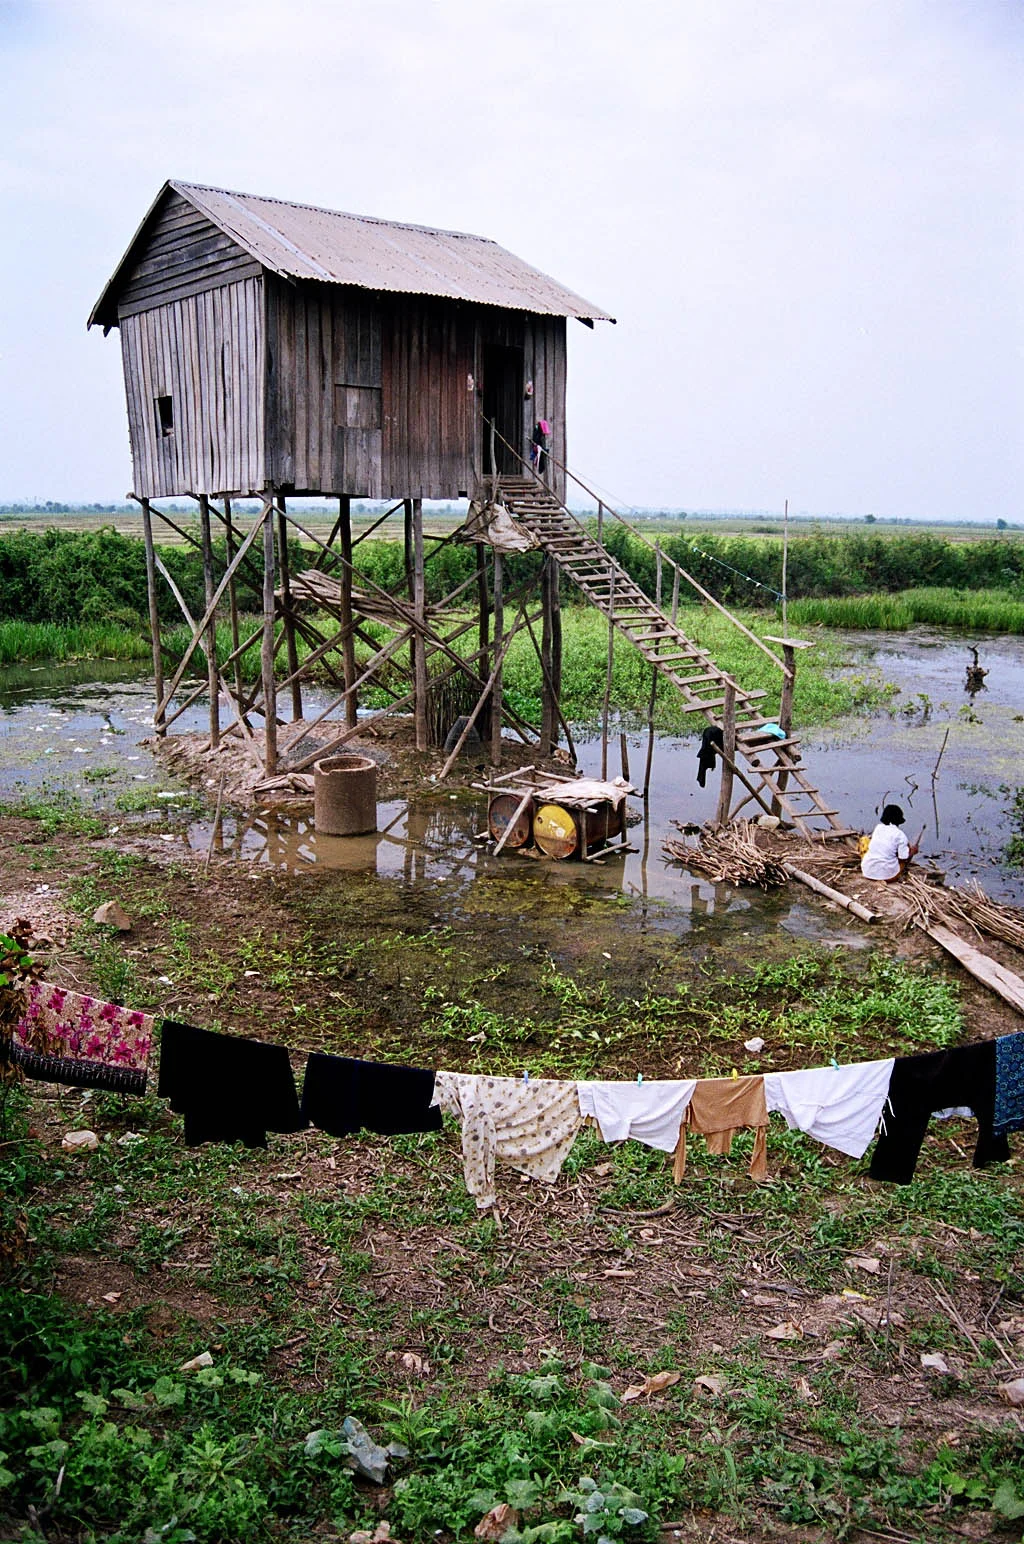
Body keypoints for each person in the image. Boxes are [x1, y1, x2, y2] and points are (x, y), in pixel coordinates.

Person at [860, 804, 918, 883]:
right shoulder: (900, 835)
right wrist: (912, 852)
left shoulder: (878, 828)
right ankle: (897, 874)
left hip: (867, 871)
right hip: (887, 876)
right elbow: (903, 858)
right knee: (903, 859)